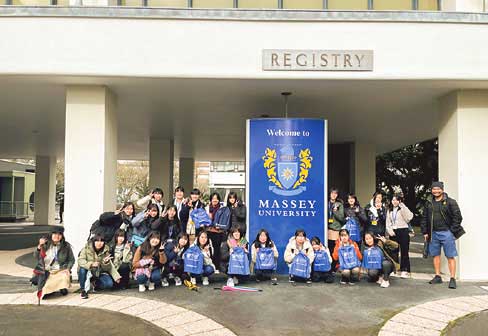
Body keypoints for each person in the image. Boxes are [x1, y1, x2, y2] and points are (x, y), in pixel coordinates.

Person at [421, 181, 465, 289]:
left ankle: (452, 279)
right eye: (434, 189)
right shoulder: (429, 202)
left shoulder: (450, 202)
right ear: (431, 190)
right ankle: (437, 276)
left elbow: (458, 217)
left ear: (442, 189)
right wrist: (425, 231)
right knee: (435, 255)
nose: (436, 191)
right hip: (433, 233)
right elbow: (424, 218)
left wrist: (452, 231)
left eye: (438, 189)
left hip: (447, 233)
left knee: (450, 256)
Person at [32, 226, 75, 299]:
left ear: (62, 236)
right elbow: (36, 256)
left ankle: (62, 287)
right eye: (55, 234)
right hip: (47, 271)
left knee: (64, 277)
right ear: (51, 234)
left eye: (59, 234)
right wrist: (39, 246)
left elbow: (71, 260)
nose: (57, 236)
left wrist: (68, 269)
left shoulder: (66, 246)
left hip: (60, 270)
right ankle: (52, 288)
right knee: (46, 289)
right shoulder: (45, 244)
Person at [78, 235, 121, 299]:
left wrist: (116, 276)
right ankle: (83, 290)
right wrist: (91, 264)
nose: (99, 243)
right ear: (93, 242)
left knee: (109, 284)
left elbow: (110, 266)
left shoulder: (105, 250)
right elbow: (80, 261)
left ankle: (95, 284)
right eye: (97, 241)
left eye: (101, 241)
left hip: (98, 273)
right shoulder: (86, 249)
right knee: (82, 269)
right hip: (87, 271)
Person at [386, 194, 414, 279]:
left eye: (397, 200)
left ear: (400, 201)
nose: (395, 202)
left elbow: (409, 217)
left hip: (403, 231)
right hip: (393, 232)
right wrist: (390, 231)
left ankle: (404, 270)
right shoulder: (389, 210)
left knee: (404, 251)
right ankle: (394, 269)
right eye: (393, 200)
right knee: (393, 251)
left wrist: (403, 206)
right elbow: (388, 222)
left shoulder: (402, 208)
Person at [205, 192, 226, 273]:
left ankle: (216, 266)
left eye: (216, 198)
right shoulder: (207, 208)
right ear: (211, 199)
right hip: (209, 231)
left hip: (218, 232)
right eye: (213, 198)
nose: (215, 200)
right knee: (209, 248)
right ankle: (209, 265)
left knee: (217, 249)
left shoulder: (222, 209)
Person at [327, 188, 345, 271]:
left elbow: (342, 218)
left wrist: (335, 212)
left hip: (335, 229)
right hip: (326, 228)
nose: (333, 195)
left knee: (334, 248)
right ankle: (327, 265)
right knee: (327, 248)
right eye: (332, 193)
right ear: (329, 194)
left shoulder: (339, 205)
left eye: (335, 193)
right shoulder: (326, 203)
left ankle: (333, 267)